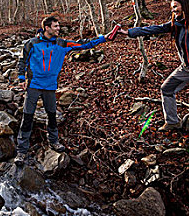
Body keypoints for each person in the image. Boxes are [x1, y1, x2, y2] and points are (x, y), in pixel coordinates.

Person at [119, 0, 189, 153]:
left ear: (185, 7)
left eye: (176, 7)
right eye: (172, 7)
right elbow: (155, 28)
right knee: (166, 88)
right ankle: (173, 121)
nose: (173, 10)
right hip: (187, 67)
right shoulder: (177, 23)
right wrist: (129, 32)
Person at [15, 16, 117, 166]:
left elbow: (84, 44)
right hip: (34, 85)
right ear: (47, 28)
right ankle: (21, 152)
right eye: (55, 26)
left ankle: (54, 142)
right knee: (28, 117)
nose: (58, 28)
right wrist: (21, 78)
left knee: (51, 116)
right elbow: (22, 60)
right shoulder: (32, 44)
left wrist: (104, 38)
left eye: (58, 26)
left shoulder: (62, 44)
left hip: (50, 86)